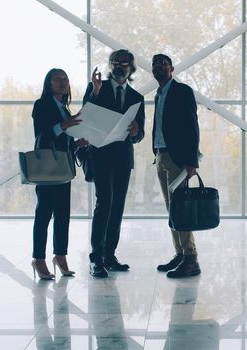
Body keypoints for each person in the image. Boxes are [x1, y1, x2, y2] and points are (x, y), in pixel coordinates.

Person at [82, 49, 146, 278]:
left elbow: (140, 136)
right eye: (115, 62)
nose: (119, 66)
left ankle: (110, 255)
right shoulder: (96, 88)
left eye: (124, 63)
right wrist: (95, 93)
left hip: (122, 158)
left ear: (131, 68)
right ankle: (95, 258)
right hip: (100, 155)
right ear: (110, 65)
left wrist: (136, 131)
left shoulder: (137, 98)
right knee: (105, 202)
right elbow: (85, 116)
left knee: (117, 206)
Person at [31, 68, 88, 280]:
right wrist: (62, 125)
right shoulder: (42, 105)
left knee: (63, 216)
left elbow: (62, 141)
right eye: (57, 79)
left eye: (65, 79)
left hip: (64, 167)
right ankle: (38, 258)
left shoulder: (64, 108)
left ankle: (60, 256)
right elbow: (42, 137)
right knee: (44, 215)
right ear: (49, 83)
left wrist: (76, 143)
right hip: (48, 169)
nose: (63, 83)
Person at [151, 53, 201, 278]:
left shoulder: (182, 91)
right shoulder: (159, 94)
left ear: (172, 69)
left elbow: (192, 126)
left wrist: (191, 161)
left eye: (164, 63)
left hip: (178, 158)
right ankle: (180, 254)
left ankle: (191, 258)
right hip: (161, 156)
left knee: (180, 209)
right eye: (156, 64)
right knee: (172, 209)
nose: (159, 66)